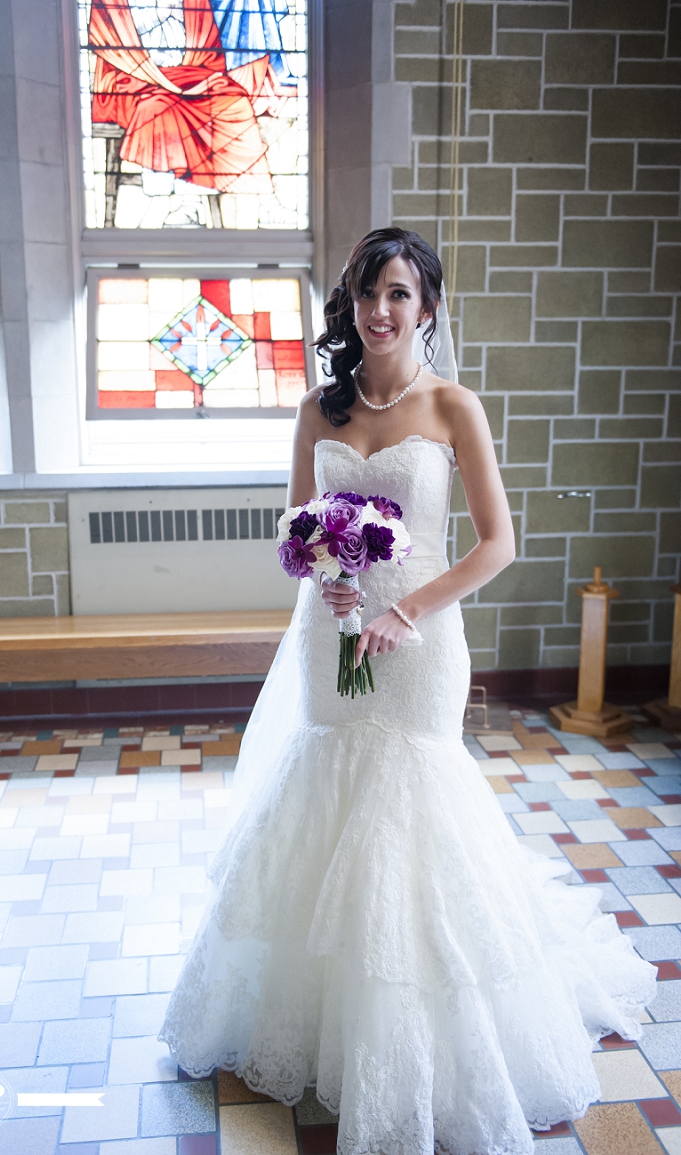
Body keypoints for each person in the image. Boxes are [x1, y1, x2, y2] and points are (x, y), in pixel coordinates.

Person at [159, 228, 657, 1155]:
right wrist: (325, 574)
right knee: (326, 788)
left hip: (420, 644)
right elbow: (300, 525)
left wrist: (409, 611)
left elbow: (497, 543)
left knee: (414, 803)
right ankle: (318, 1011)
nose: (379, 311)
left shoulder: (453, 407)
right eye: (363, 294)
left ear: (427, 304)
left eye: (396, 293)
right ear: (348, 307)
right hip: (331, 636)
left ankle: (421, 1017)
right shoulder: (319, 408)